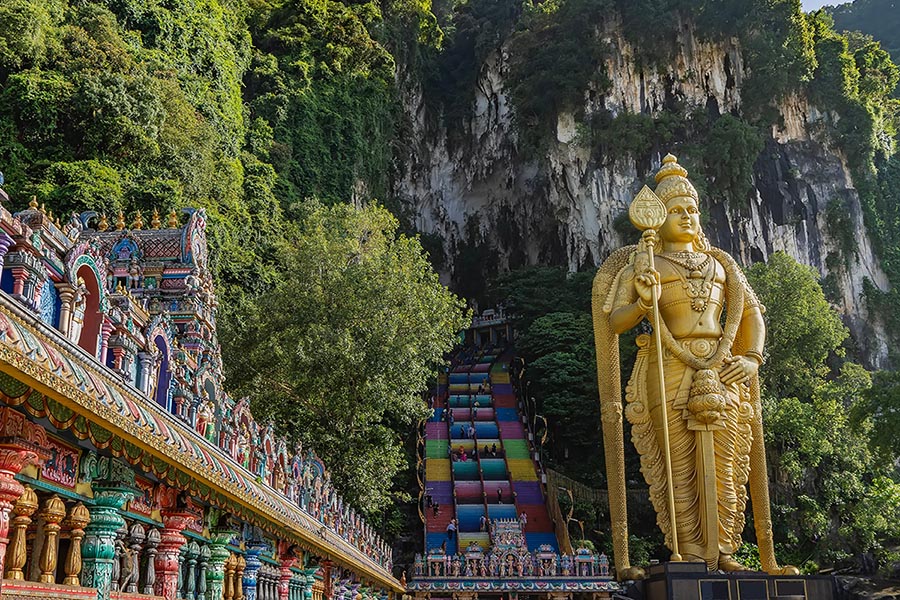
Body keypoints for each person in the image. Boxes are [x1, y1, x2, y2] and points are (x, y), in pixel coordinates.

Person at [595, 154, 797, 577]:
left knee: (726, 460)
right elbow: (614, 321)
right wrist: (640, 301)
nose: (686, 216)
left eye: (692, 209)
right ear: (656, 219)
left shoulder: (722, 263)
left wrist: (752, 357)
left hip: (723, 365)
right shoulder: (645, 264)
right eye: (676, 210)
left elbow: (752, 315)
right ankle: (686, 552)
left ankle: (724, 550)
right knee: (677, 464)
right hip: (667, 365)